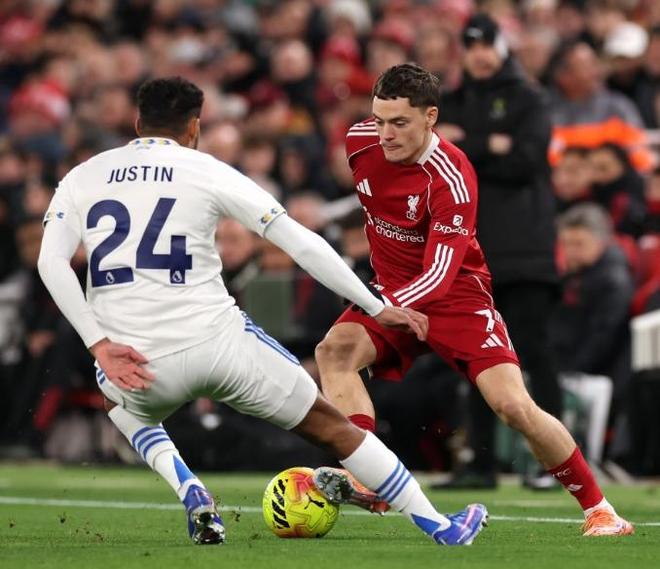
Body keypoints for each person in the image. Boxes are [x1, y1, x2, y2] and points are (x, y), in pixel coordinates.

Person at [37, 76, 487, 547]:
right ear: (194, 127)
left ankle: (189, 489)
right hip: (218, 344)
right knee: (331, 426)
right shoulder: (207, 169)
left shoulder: (83, 176)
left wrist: (99, 344)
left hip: (136, 360)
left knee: (120, 405)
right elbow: (298, 242)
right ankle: (438, 524)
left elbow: (51, 263)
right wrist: (377, 306)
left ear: (137, 123)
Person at [314, 62, 633, 537]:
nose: (385, 134)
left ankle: (600, 509)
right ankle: (366, 473)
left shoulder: (452, 174)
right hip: (391, 293)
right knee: (334, 351)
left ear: (431, 117)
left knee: (512, 406)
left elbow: (441, 272)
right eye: (379, 120)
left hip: (456, 298)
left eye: (399, 122)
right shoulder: (360, 141)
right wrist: (383, 301)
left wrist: (385, 304)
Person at [434, 13, 562, 490]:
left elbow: (528, 158)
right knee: (476, 357)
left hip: (527, 250)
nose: (480, 55)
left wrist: (472, 144)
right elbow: (440, 156)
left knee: (535, 354)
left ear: (501, 47)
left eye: (487, 44)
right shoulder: (453, 100)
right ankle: (480, 463)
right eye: (471, 46)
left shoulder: (529, 97)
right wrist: (494, 144)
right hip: (474, 250)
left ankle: (554, 464)